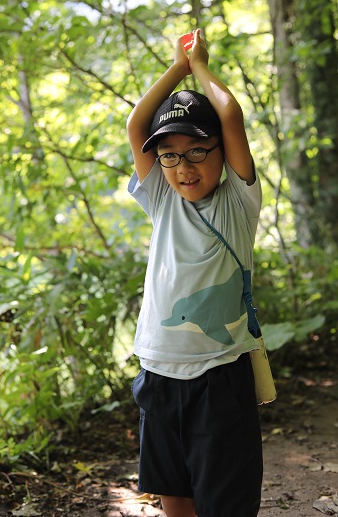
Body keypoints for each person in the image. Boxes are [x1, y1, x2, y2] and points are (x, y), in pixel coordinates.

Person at [126, 28, 263, 517]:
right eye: (169, 155)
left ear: (222, 152)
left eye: (197, 151)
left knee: (225, 500)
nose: (183, 166)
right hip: (158, 373)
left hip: (219, 376)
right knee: (173, 495)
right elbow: (136, 123)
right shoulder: (161, 198)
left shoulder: (237, 200)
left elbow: (229, 113)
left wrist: (199, 65)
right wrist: (176, 68)